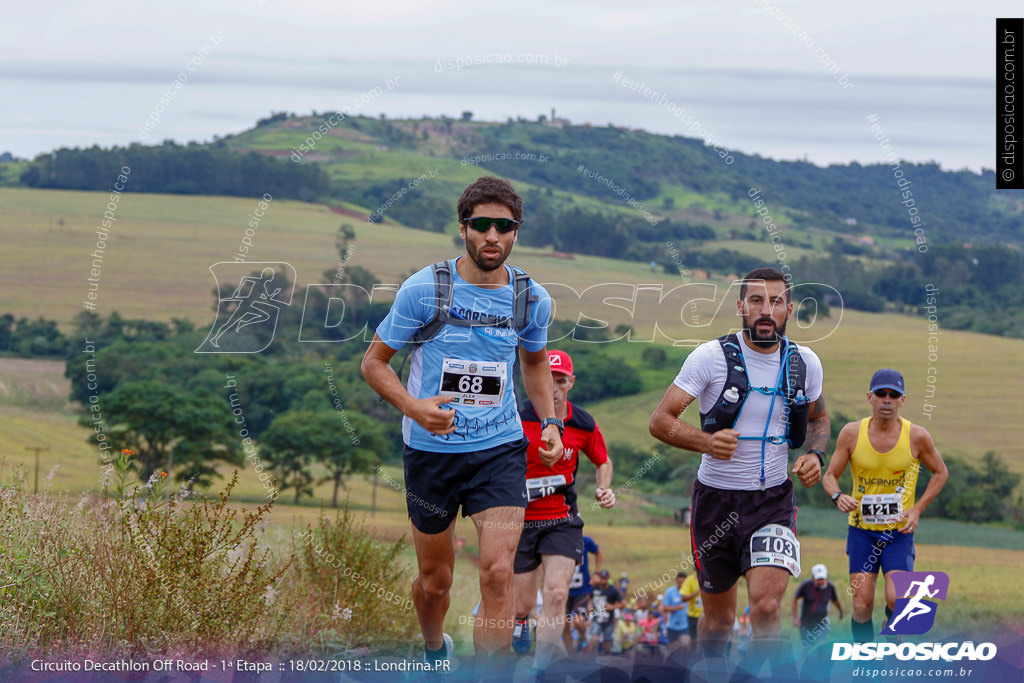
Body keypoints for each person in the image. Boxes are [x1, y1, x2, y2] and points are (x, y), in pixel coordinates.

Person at [361, 176, 564, 668]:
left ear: (516, 232)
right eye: (482, 225)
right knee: (436, 582)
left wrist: (551, 423)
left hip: (499, 450)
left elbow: (534, 364)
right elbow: (374, 364)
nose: (492, 236)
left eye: (504, 226)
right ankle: (434, 650)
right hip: (432, 453)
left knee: (498, 573)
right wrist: (415, 408)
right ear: (463, 228)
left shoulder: (530, 299)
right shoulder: (424, 290)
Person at [649, 267, 830, 670]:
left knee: (766, 608)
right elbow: (661, 421)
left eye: (776, 301)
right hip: (714, 500)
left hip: (774, 502)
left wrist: (816, 455)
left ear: (789, 309)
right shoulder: (710, 358)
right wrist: (706, 441)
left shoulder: (805, 363)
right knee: (719, 622)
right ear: (741, 307)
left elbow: (819, 418)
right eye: (757, 301)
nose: (766, 310)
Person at [822, 369, 947, 643]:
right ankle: (865, 661)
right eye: (881, 394)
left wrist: (917, 509)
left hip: (898, 534)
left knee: (897, 597)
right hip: (862, 533)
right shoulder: (852, 433)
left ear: (903, 400)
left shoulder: (917, 436)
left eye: (894, 395)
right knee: (861, 605)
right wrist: (837, 496)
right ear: (870, 397)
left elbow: (941, 472)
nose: (887, 400)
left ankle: (892, 623)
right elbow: (829, 476)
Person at [513, 348, 615, 672]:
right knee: (524, 602)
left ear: (571, 382)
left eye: (560, 381)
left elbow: (604, 460)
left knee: (556, 594)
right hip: (519, 517)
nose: (553, 389)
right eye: (546, 379)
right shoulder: (517, 416)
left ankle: (539, 671)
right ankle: (519, 620)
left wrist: (603, 487)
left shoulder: (583, 423)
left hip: (561, 517)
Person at [565, 535, 602, 651]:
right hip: (564, 590)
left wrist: (597, 573)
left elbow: (598, 552)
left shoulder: (585, 540)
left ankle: (583, 636)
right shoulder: (558, 540)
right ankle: (571, 655)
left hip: (582, 590)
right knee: (562, 625)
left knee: (578, 621)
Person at [792, 563, 844, 646]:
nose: (821, 581)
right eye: (818, 579)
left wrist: (841, 612)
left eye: (822, 579)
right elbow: (794, 598)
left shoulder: (830, 587)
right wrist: (795, 618)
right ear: (813, 578)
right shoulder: (806, 585)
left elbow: (835, 600)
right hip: (806, 623)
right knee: (807, 648)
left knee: (822, 647)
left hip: (822, 623)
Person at [588, 570, 625, 654]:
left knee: (607, 644)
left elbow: (622, 604)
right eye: (602, 578)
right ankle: (592, 660)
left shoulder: (613, 590)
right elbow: (590, 600)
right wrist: (589, 607)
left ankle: (606, 661)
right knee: (594, 640)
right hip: (597, 618)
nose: (603, 581)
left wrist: (613, 607)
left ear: (608, 579)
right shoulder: (594, 589)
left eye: (605, 579)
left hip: (609, 620)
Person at [661, 572, 691, 656]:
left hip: (684, 626)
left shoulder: (689, 593)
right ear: (676, 580)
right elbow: (664, 608)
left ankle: (684, 666)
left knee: (686, 647)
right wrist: (676, 608)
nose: (681, 584)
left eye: (683, 582)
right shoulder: (670, 591)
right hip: (672, 626)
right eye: (680, 581)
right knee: (672, 651)